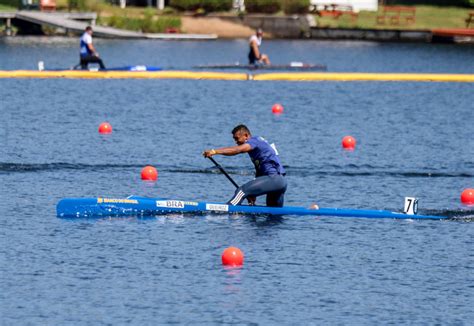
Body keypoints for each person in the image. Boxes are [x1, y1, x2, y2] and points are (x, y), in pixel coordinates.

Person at [203, 125, 286, 207]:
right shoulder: (259, 146)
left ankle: (227, 209)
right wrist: (253, 194)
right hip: (281, 183)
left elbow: (237, 150)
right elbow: (260, 172)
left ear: (246, 136)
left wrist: (214, 151)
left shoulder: (254, 141)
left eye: (237, 138)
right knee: (273, 215)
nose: (236, 142)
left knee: (242, 191)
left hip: (274, 179)